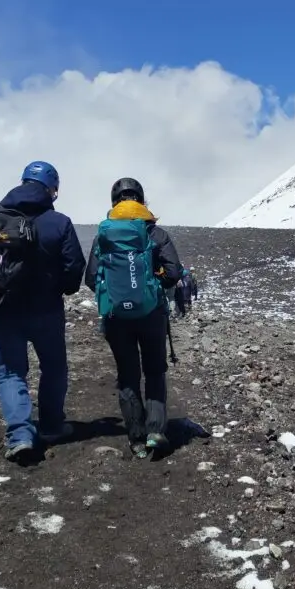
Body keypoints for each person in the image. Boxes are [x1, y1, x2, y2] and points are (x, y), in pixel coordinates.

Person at [0, 161, 86, 463]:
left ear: (22, 181)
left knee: (10, 372)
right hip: (46, 312)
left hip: (2, 310)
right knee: (54, 368)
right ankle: (53, 426)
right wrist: (63, 289)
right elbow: (74, 268)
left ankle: (20, 435)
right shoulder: (59, 222)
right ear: (52, 190)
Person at [84, 177, 183, 458]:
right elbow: (173, 273)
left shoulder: (104, 235)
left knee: (127, 374)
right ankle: (156, 431)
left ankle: (136, 438)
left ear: (114, 202)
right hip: (152, 315)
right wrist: (151, 284)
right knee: (154, 370)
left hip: (116, 318)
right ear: (141, 199)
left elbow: (91, 279)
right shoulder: (156, 233)